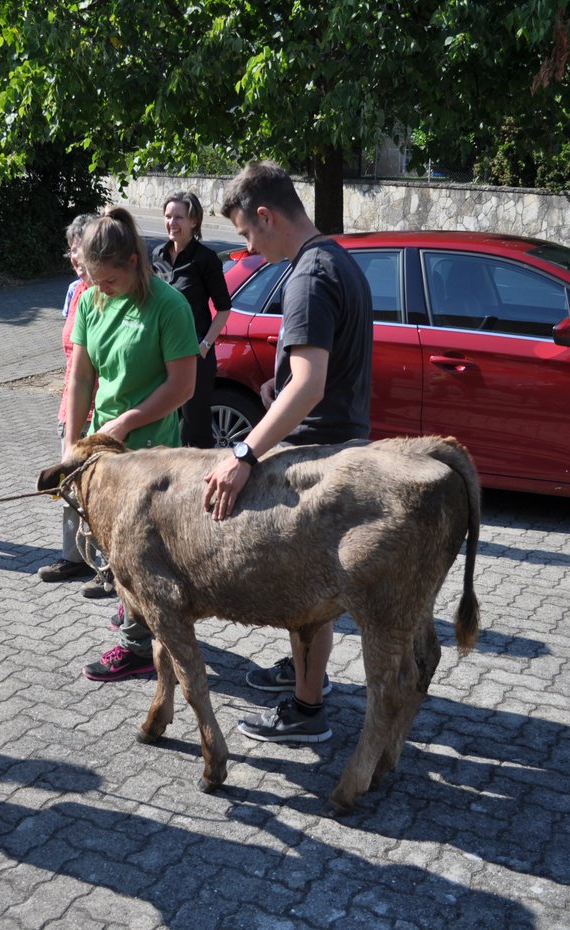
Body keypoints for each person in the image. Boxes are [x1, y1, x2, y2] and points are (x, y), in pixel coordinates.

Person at [202, 161, 373, 742]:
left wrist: (244, 453)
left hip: (318, 457)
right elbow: (314, 374)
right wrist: (281, 388)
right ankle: (308, 677)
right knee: (315, 591)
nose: (248, 247)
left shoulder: (306, 276)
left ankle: (306, 708)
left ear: (267, 216)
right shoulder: (339, 259)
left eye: (248, 234)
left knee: (305, 589)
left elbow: (310, 385)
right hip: (340, 439)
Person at [69, 208, 197, 681]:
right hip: (104, 451)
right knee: (115, 555)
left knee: (139, 558)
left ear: (132, 261)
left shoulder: (169, 306)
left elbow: (182, 386)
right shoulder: (89, 301)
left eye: (109, 279)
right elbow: (81, 377)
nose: (100, 287)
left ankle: (138, 646)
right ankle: (136, 621)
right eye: (92, 278)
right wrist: (73, 443)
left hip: (152, 456)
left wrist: (128, 421)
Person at [37, 213, 104, 586]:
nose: (76, 258)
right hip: (72, 406)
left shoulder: (109, 293)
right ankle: (74, 557)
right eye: (72, 251)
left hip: (104, 411)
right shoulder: (73, 292)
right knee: (70, 487)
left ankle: (108, 568)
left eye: (82, 250)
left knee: (101, 491)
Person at [150, 191, 232, 449]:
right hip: (161, 355)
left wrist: (205, 345)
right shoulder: (157, 255)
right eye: (168, 216)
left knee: (196, 431)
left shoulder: (205, 259)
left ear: (193, 222)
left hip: (194, 357)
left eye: (179, 217)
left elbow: (224, 309)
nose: (172, 223)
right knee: (161, 426)